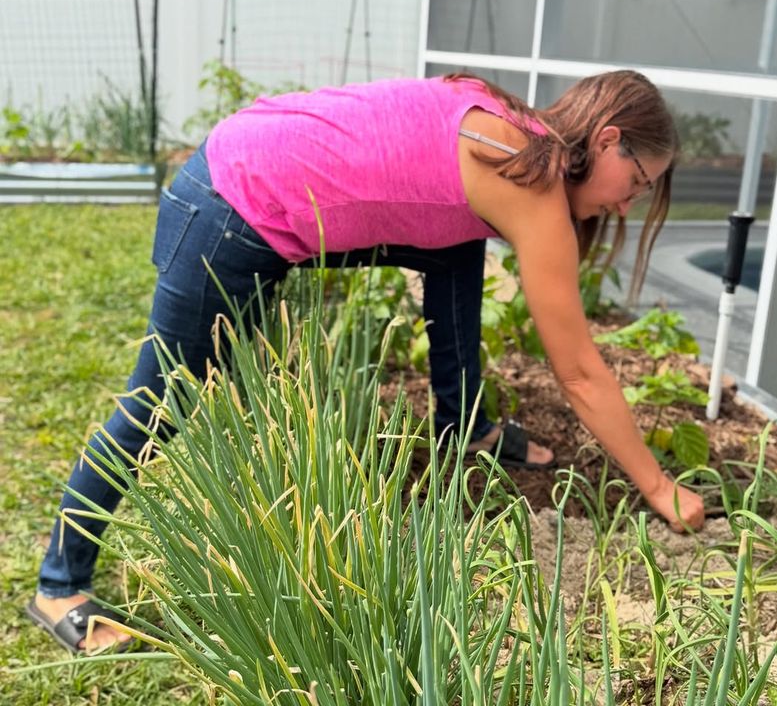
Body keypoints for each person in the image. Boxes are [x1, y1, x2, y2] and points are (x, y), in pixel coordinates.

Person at [26, 70, 705, 653]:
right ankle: (60, 586)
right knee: (161, 403)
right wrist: (656, 485)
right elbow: (581, 371)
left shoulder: (512, 130)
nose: (628, 201)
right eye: (638, 182)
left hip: (243, 168)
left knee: (454, 248)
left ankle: (464, 425)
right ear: (609, 138)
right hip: (230, 208)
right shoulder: (529, 183)